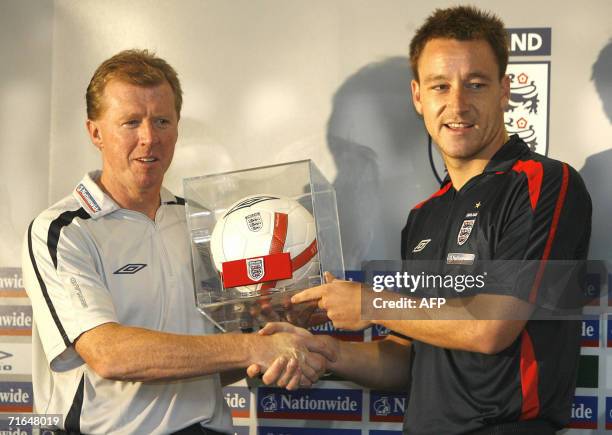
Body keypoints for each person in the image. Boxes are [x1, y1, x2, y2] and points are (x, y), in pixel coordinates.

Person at [252, 6, 592, 435]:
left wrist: (370, 303)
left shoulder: (545, 182)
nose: (458, 104)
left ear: (505, 91)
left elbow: (491, 327)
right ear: (418, 96)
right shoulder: (424, 216)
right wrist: (327, 352)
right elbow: (410, 358)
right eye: (440, 86)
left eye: (476, 84)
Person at [22, 49, 336, 435]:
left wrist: (279, 330)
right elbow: (108, 354)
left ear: (177, 128)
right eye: (130, 122)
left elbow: (211, 366)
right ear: (95, 132)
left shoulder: (202, 224)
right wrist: (251, 347)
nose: (149, 138)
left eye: (162, 121)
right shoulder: (63, 231)